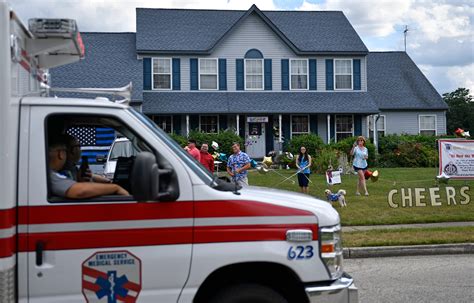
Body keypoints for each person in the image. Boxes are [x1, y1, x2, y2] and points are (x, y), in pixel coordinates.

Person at [48, 136, 129, 199]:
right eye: (78, 146)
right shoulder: (50, 175)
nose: (81, 150)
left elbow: (93, 177)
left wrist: (108, 182)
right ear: (61, 154)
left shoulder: (69, 170)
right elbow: (80, 191)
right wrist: (115, 188)